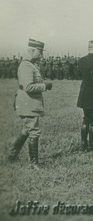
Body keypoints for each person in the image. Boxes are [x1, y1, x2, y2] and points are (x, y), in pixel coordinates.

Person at [8, 39, 53, 167]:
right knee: (34, 130)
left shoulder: (30, 64)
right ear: (32, 50)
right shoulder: (26, 66)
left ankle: (12, 155)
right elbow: (28, 87)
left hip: (28, 102)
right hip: (28, 102)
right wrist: (44, 86)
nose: (41, 55)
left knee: (27, 129)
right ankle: (33, 164)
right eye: (40, 52)